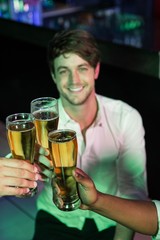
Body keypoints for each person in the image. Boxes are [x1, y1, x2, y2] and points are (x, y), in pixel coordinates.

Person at [32, 29, 148, 240]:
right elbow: (25, 171)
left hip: (110, 218)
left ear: (96, 70)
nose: (74, 80)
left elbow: (133, 193)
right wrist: (32, 170)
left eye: (82, 68)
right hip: (56, 216)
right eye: (64, 70)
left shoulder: (126, 117)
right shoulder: (42, 123)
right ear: (53, 76)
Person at [72, 167, 160, 239]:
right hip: (62, 221)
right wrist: (96, 201)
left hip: (109, 225)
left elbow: (132, 193)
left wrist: (95, 201)